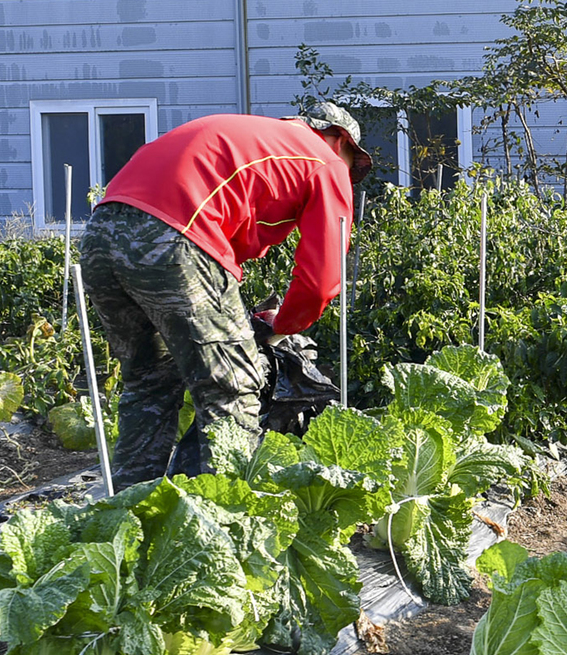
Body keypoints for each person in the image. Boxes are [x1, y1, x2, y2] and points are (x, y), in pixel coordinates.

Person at [79, 101, 372, 489]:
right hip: (176, 236)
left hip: (101, 234)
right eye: (353, 162)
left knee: (149, 385)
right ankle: (217, 522)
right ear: (340, 140)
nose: (349, 175)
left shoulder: (250, 138)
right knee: (232, 389)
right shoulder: (326, 159)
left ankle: (130, 513)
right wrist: (282, 328)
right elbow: (322, 277)